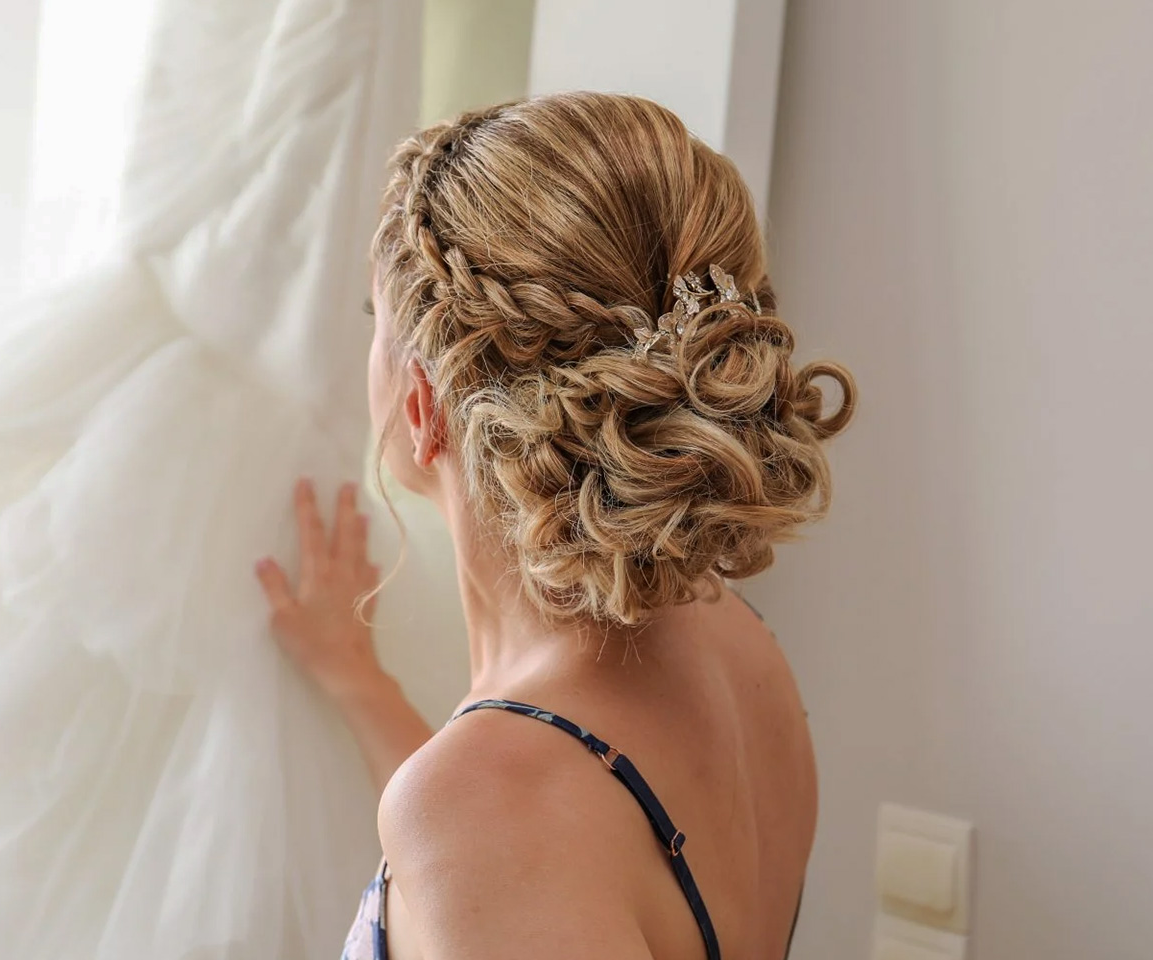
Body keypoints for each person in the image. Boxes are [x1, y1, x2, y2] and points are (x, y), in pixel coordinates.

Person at [255, 92, 857, 960]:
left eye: (372, 324)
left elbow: (510, 840)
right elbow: (546, 855)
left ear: (423, 406)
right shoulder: (732, 638)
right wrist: (356, 680)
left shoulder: (482, 810)